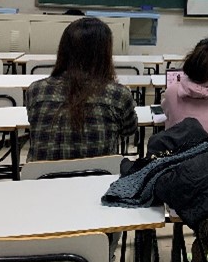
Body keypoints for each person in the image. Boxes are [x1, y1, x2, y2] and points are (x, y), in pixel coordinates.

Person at [26, 17, 138, 161]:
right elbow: (129, 130)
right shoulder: (118, 94)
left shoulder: (35, 90)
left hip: (42, 175)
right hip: (98, 174)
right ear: (105, 54)